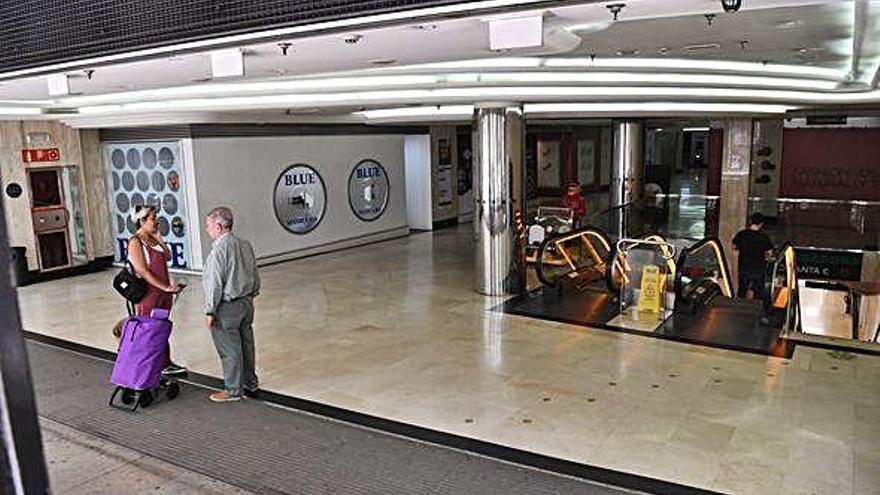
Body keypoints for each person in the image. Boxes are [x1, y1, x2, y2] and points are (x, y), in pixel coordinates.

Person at [202, 207, 260, 403]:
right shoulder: (244, 244)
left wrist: (210, 310)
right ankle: (250, 382)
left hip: (227, 307)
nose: (207, 230)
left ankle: (233, 390)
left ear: (218, 226)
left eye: (209, 226)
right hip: (246, 302)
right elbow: (254, 271)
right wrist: (252, 293)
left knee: (229, 349)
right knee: (247, 344)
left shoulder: (219, 251)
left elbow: (214, 283)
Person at [127, 205, 186, 376]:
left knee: (161, 327)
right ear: (142, 221)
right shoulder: (135, 242)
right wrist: (165, 287)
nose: (157, 221)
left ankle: (164, 363)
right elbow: (143, 271)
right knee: (149, 330)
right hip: (149, 294)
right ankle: (147, 365)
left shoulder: (153, 239)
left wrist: (160, 239)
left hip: (164, 293)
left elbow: (168, 256)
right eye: (153, 218)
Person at [732, 212, 774, 323]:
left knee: (742, 290)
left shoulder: (742, 234)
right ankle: (756, 317)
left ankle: (738, 315)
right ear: (761, 224)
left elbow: (734, 247)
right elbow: (769, 253)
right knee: (758, 293)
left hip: (744, 268)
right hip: (758, 269)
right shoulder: (763, 237)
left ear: (750, 221)